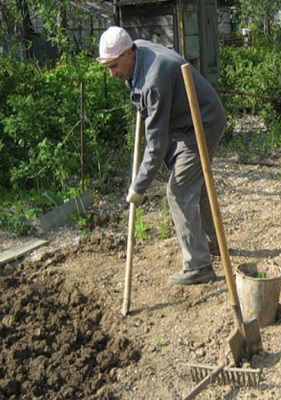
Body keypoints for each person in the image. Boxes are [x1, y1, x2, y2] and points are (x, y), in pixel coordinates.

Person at [97, 26, 227, 285]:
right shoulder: (138, 51)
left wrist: (139, 186)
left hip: (203, 122)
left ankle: (198, 265)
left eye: (113, 66)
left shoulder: (154, 80)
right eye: (108, 67)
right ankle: (212, 245)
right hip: (186, 121)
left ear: (128, 54)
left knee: (178, 190)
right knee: (194, 185)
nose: (112, 74)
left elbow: (156, 144)